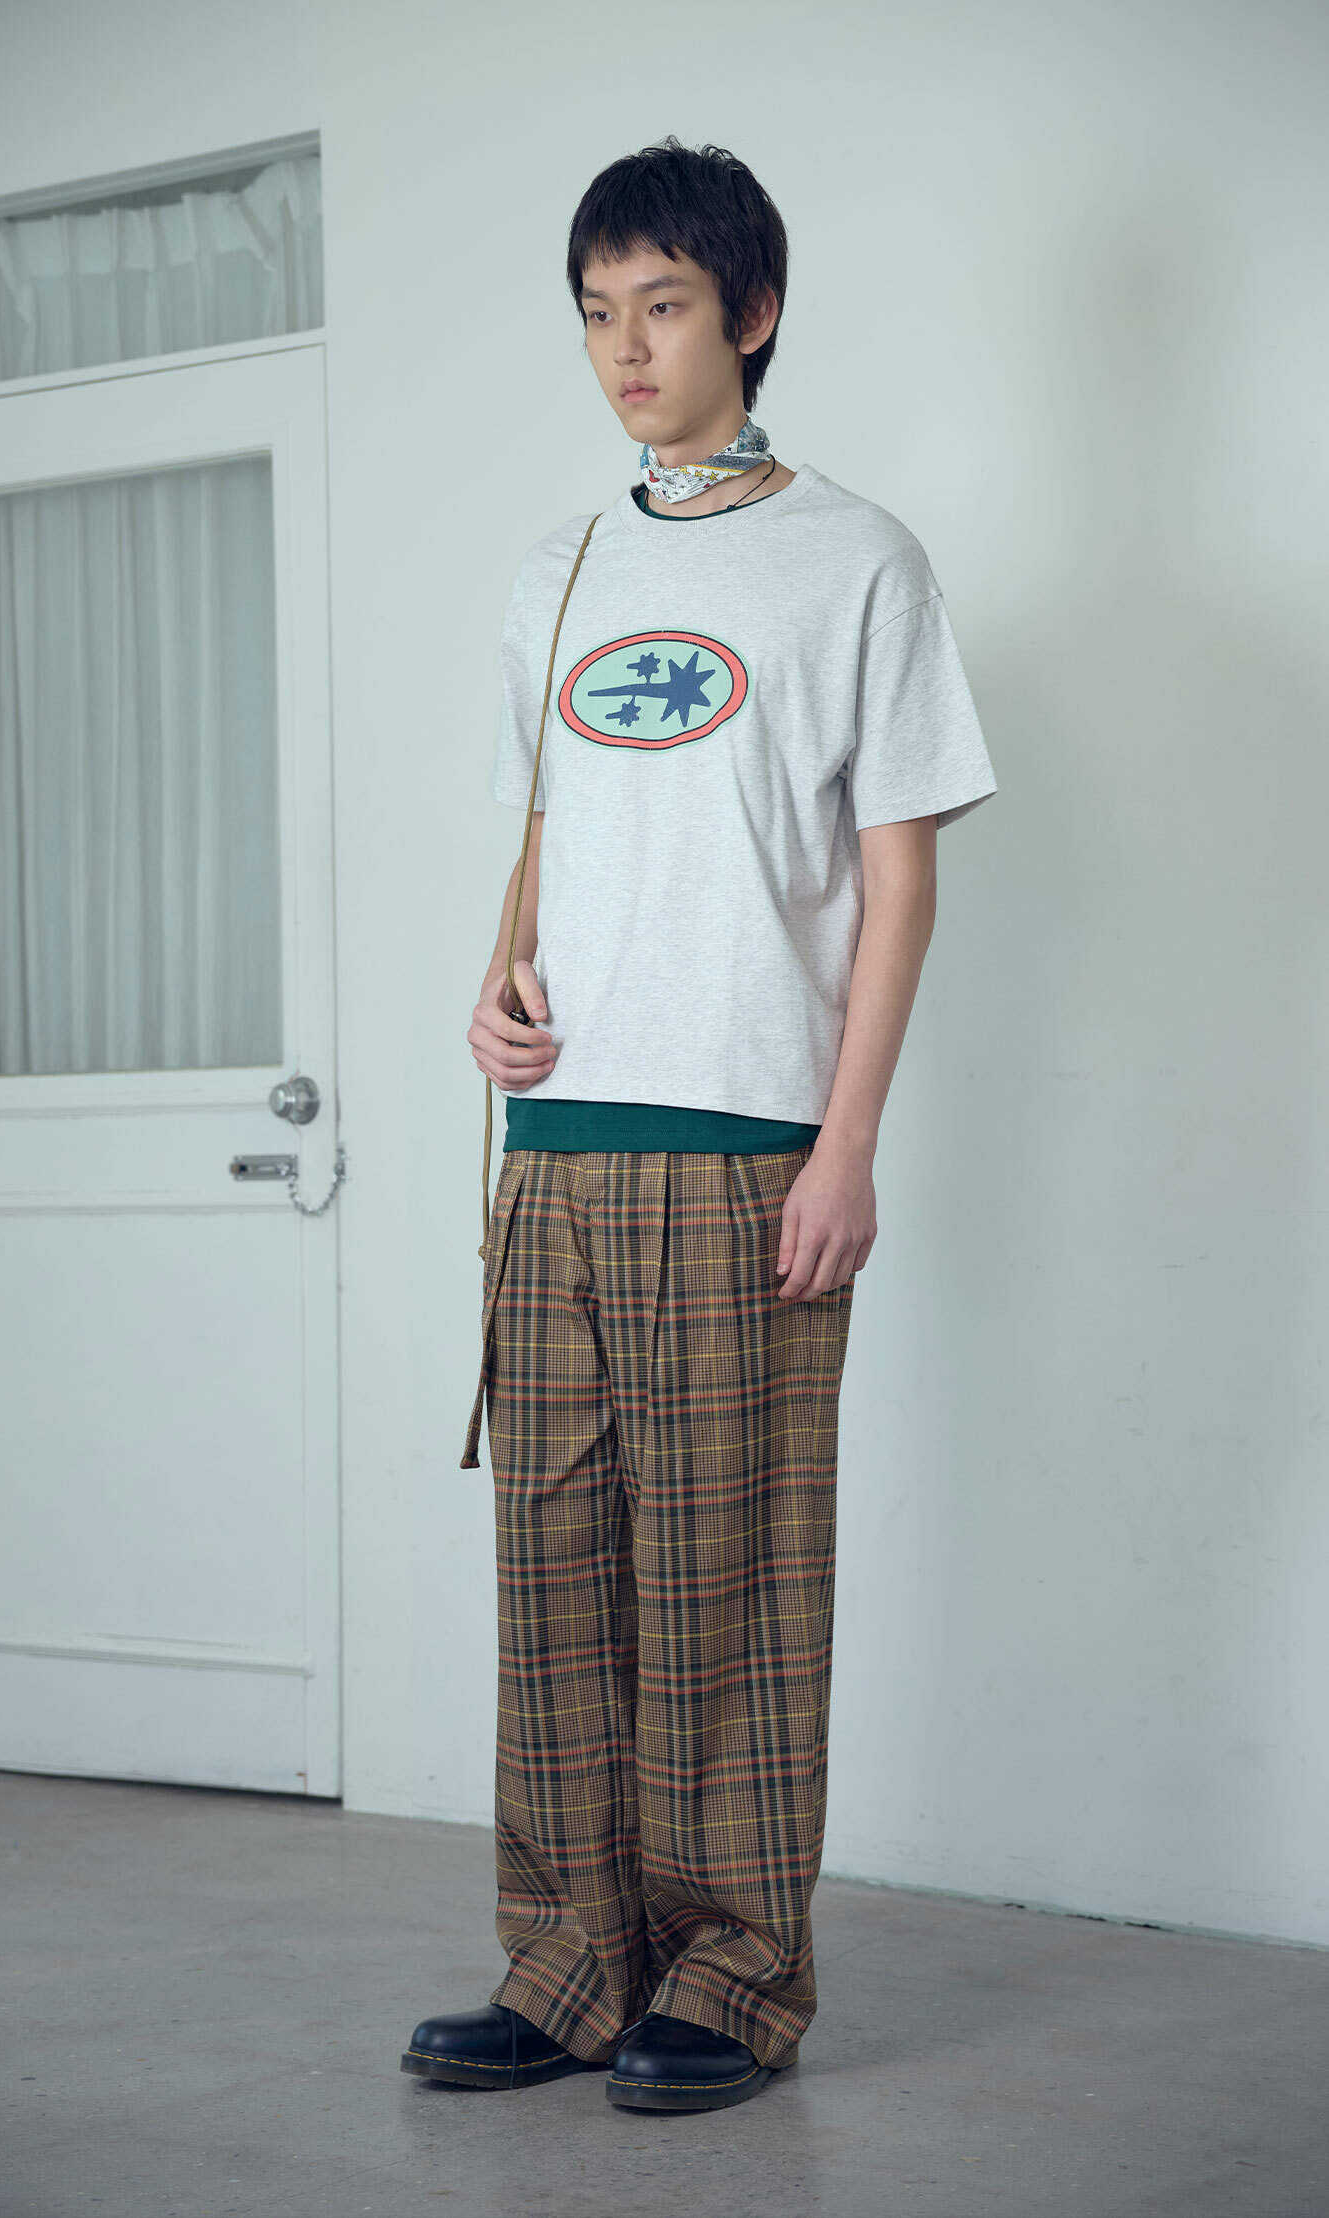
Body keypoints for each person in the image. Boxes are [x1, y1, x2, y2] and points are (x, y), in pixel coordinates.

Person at [401, 136, 997, 2115]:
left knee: (723, 1580)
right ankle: (571, 1960)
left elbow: (898, 876)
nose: (626, 349)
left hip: (747, 1145)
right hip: (556, 1151)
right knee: (555, 1575)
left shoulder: (859, 560)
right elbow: (549, 833)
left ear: (751, 312)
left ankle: (733, 1976)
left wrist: (851, 1142)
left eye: (661, 305)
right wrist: (495, 984)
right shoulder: (559, 569)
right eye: (596, 313)